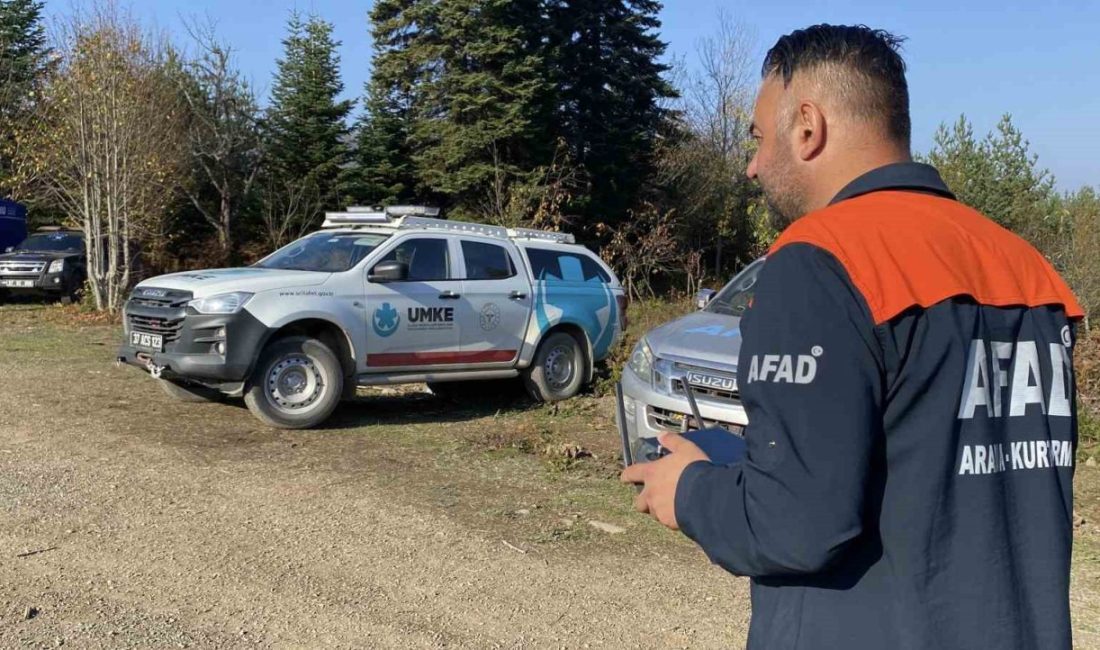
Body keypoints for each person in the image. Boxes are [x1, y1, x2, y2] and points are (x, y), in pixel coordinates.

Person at [622, 24, 1082, 650]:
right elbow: (940, 465)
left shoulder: (820, 260)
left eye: (757, 139)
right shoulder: (1026, 269)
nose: (753, 166)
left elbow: (793, 524)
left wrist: (690, 491)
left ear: (807, 126)